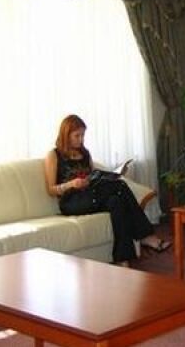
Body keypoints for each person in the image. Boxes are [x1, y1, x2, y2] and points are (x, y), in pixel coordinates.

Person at [44, 114, 171, 266]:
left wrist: (103, 177)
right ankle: (145, 236)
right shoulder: (54, 155)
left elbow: (92, 175)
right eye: (77, 136)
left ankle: (123, 258)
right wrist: (71, 184)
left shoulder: (85, 153)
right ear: (66, 134)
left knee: (116, 202)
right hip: (71, 201)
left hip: (90, 194)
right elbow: (51, 189)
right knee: (120, 186)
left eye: (83, 135)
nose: (81, 139)